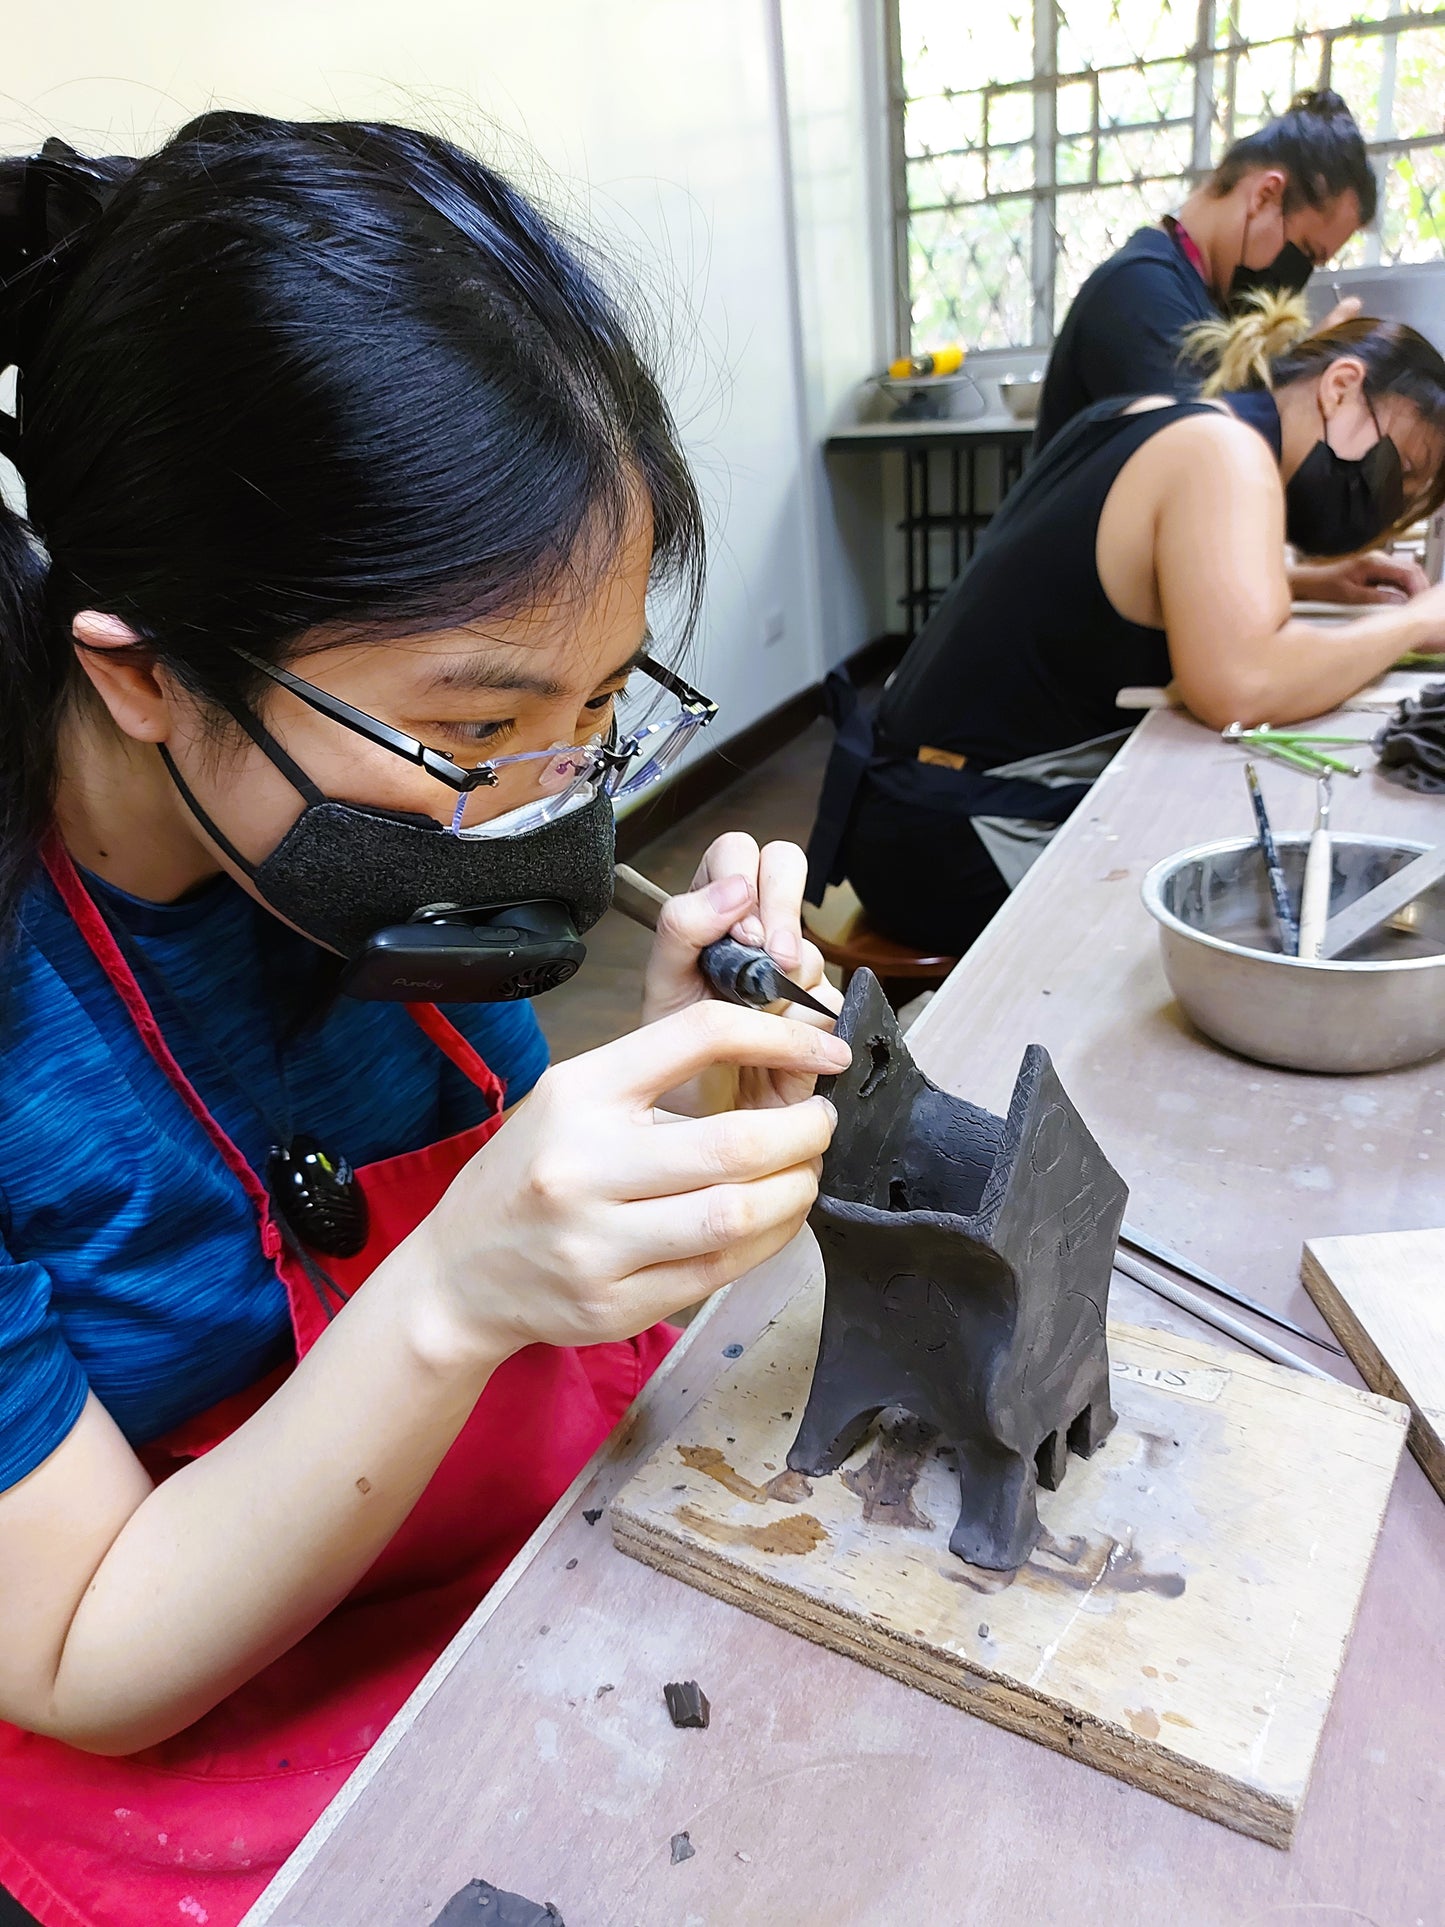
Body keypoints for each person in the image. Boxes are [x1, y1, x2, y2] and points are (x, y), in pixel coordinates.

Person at [0, 117, 848, 1927]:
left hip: (505, 1586)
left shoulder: (356, 850)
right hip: (189, 1728)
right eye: (474, 738)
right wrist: (457, 1282)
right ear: (142, 669)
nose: (542, 801)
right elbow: (70, 1647)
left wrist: (682, 1093)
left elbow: (549, 1313)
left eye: (597, 708)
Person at [806, 295, 1445, 956]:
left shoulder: (1148, 414)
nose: (1387, 499)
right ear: (1340, 387)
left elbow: (1134, 576)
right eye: (1400, 469)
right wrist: (1417, 622)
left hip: (902, 805)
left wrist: (1306, 581)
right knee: (1248, 905)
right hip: (950, 835)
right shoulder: (1225, 453)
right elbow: (1240, 686)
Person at [1033, 88, 1421, 607]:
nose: (1297, 279)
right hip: (1065, 628)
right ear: (1264, 196)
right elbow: (1204, 498)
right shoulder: (1141, 295)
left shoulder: (1197, 300)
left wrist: (1314, 581)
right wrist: (1308, 393)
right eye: (1305, 252)